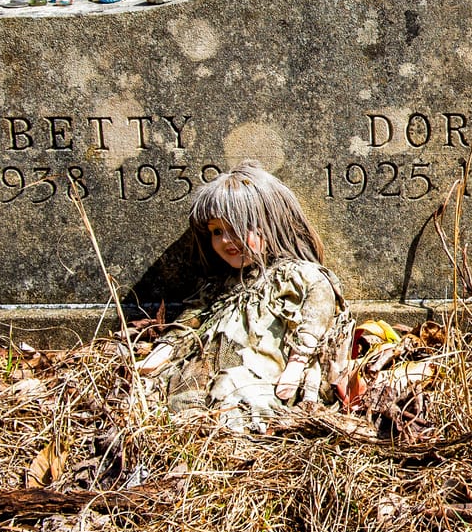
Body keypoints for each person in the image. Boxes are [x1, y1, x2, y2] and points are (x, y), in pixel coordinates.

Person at [135, 163, 349, 430]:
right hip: (210, 366)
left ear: (272, 223)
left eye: (238, 227)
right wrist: (165, 350)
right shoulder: (220, 285)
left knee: (240, 392)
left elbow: (317, 311)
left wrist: (297, 362)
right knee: (179, 391)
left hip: (264, 367)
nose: (226, 240)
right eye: (216, 231)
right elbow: (193, 318)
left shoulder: (297, 275)